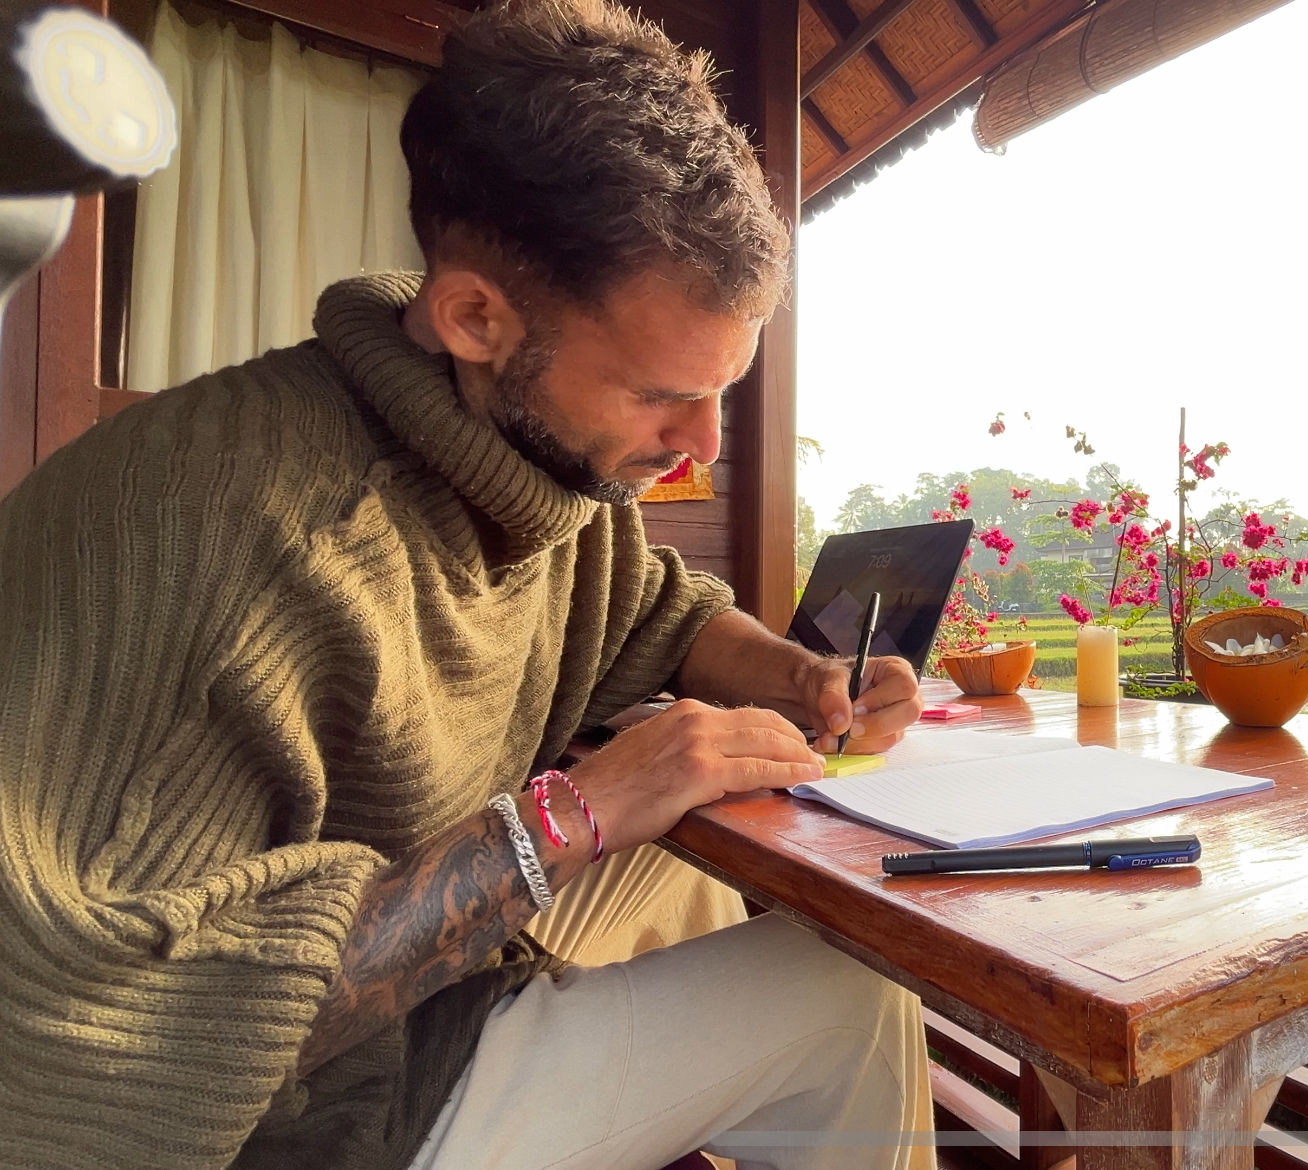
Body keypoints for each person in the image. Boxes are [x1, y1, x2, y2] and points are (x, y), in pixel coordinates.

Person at [0, 1, 931, 1167]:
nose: (698, 445)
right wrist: (567, 818)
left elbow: (660, 608)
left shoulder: (509, 457)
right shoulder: (256, 552)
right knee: (850, 997)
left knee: (693, 884)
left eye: (722, 393)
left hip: (412, 972)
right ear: (475, 316)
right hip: (287, 1116)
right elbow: (104, 1040)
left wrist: (798, 672)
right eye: (657, 396)